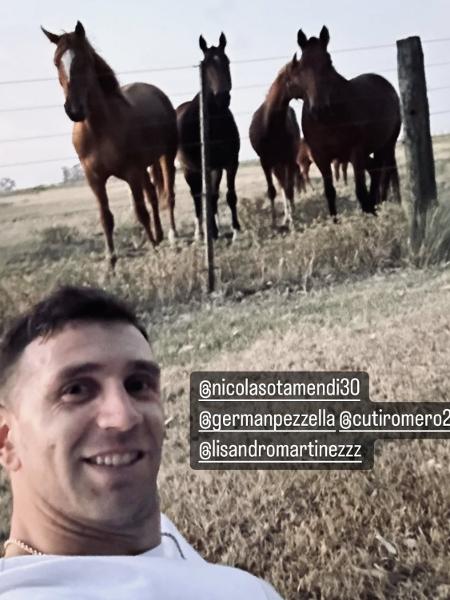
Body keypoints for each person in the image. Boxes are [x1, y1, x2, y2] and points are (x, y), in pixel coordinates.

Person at [0, 286, 282, 599]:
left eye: (137, 385)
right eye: (76, 390)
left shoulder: (159, 538)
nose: (123, 416)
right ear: (5, 440)